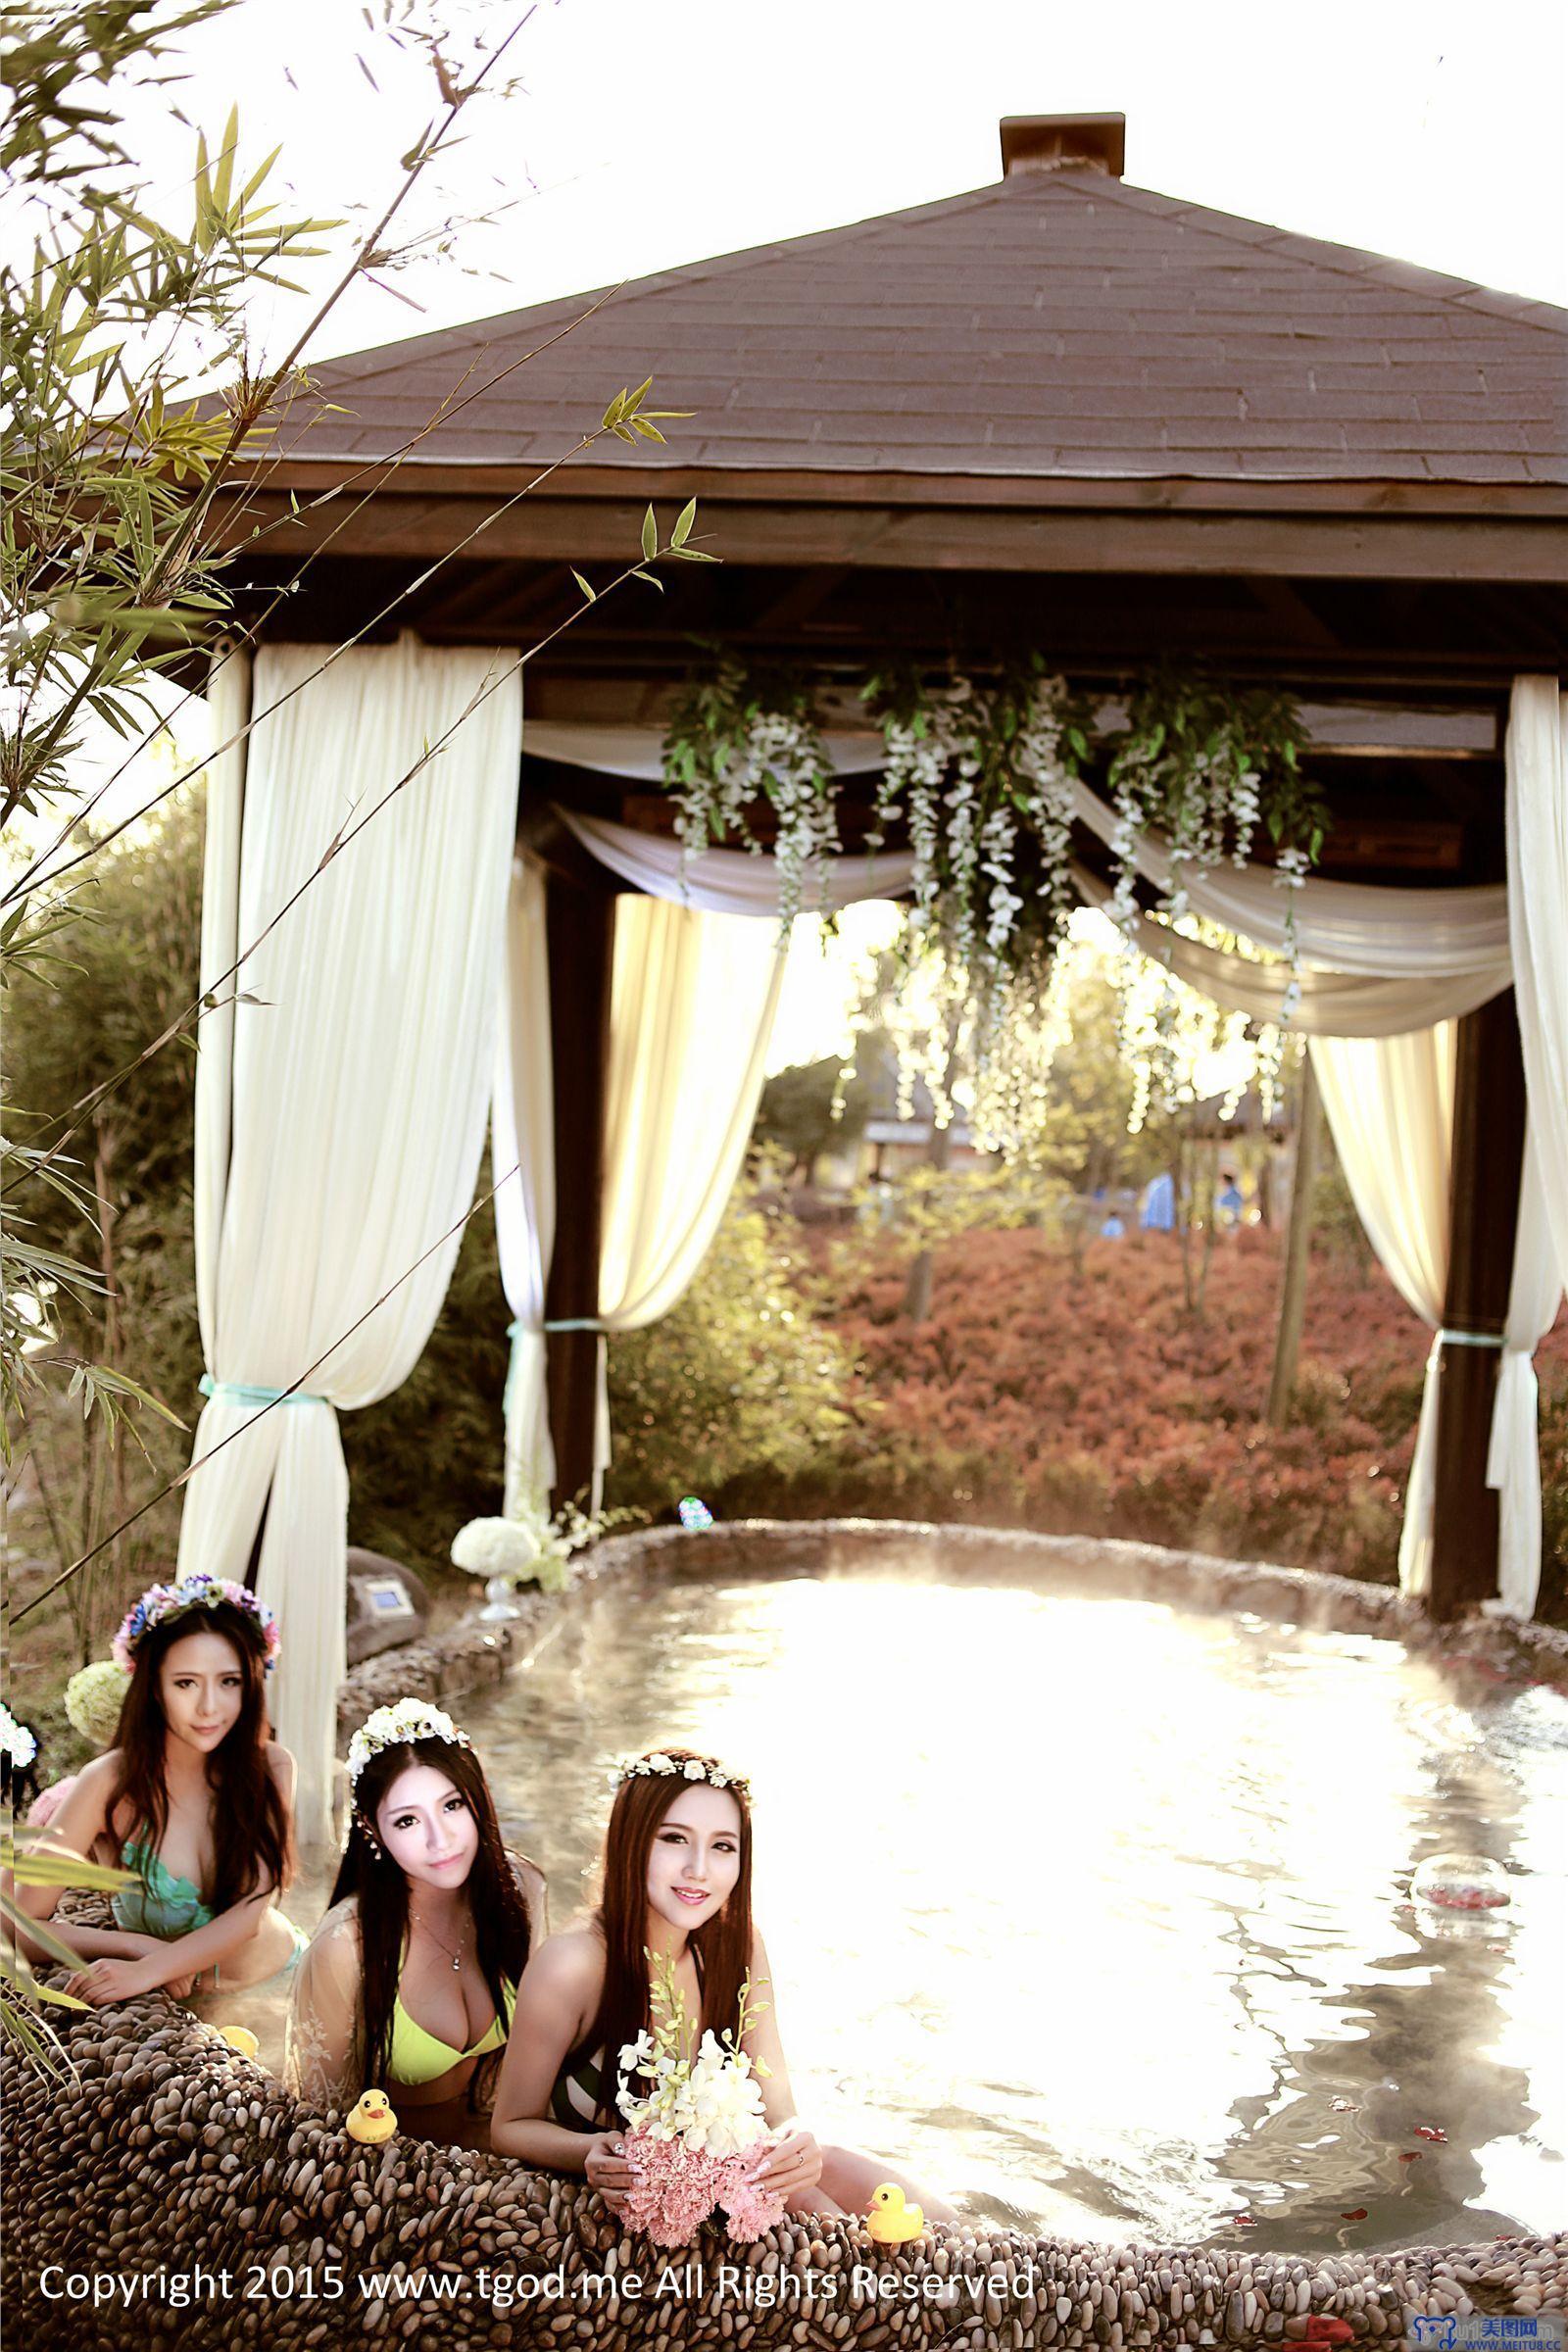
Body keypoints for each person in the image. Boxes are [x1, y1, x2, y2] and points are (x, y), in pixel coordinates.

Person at [489, 1745, 957, 2226]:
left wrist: (797, 2145)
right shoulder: (573, 1963)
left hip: (731, 2187)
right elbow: (508, 2127)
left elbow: (778, 2112)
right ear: (631, 1841)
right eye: (674, 1838)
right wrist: (589, 2151)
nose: (699, 1868)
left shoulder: (739, 1945)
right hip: (625, 2207)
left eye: (722, 1846)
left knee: (841, 2177)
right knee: (818, 2215)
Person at [10, 1574, 304, 2003]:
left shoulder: (272, 1766)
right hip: (183, 2008)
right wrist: (136, 1947)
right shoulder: (109, 1783)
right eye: (186, 1683)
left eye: (229, 1682)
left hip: (284, 1982)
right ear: (154, 1688)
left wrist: (153, 1967)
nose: (209, 1707)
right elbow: (20, 1923)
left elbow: (250, 1915)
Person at [285, 1699, 546, 2151]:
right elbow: (317, 2120)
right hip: (399, 2185)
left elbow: (543, 2046)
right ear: (372, 1831)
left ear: (477, 1799)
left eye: (452, 1805)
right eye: (407, 1820)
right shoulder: (346, 1946)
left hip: (506, 2166)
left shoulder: (522, 1890)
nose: (439, 1839)